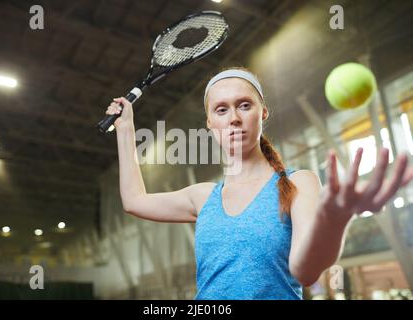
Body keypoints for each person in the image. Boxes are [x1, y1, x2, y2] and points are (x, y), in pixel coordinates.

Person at [105, 67, 413, 300]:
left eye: (244, 105)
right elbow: (134, 201)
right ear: (210, 124)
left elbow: (306, 272)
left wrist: (335, 220)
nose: (234, 118)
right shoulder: (202, 197)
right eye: (221, 110)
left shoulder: (299, 183)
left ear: (262, 113)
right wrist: (125, 128)